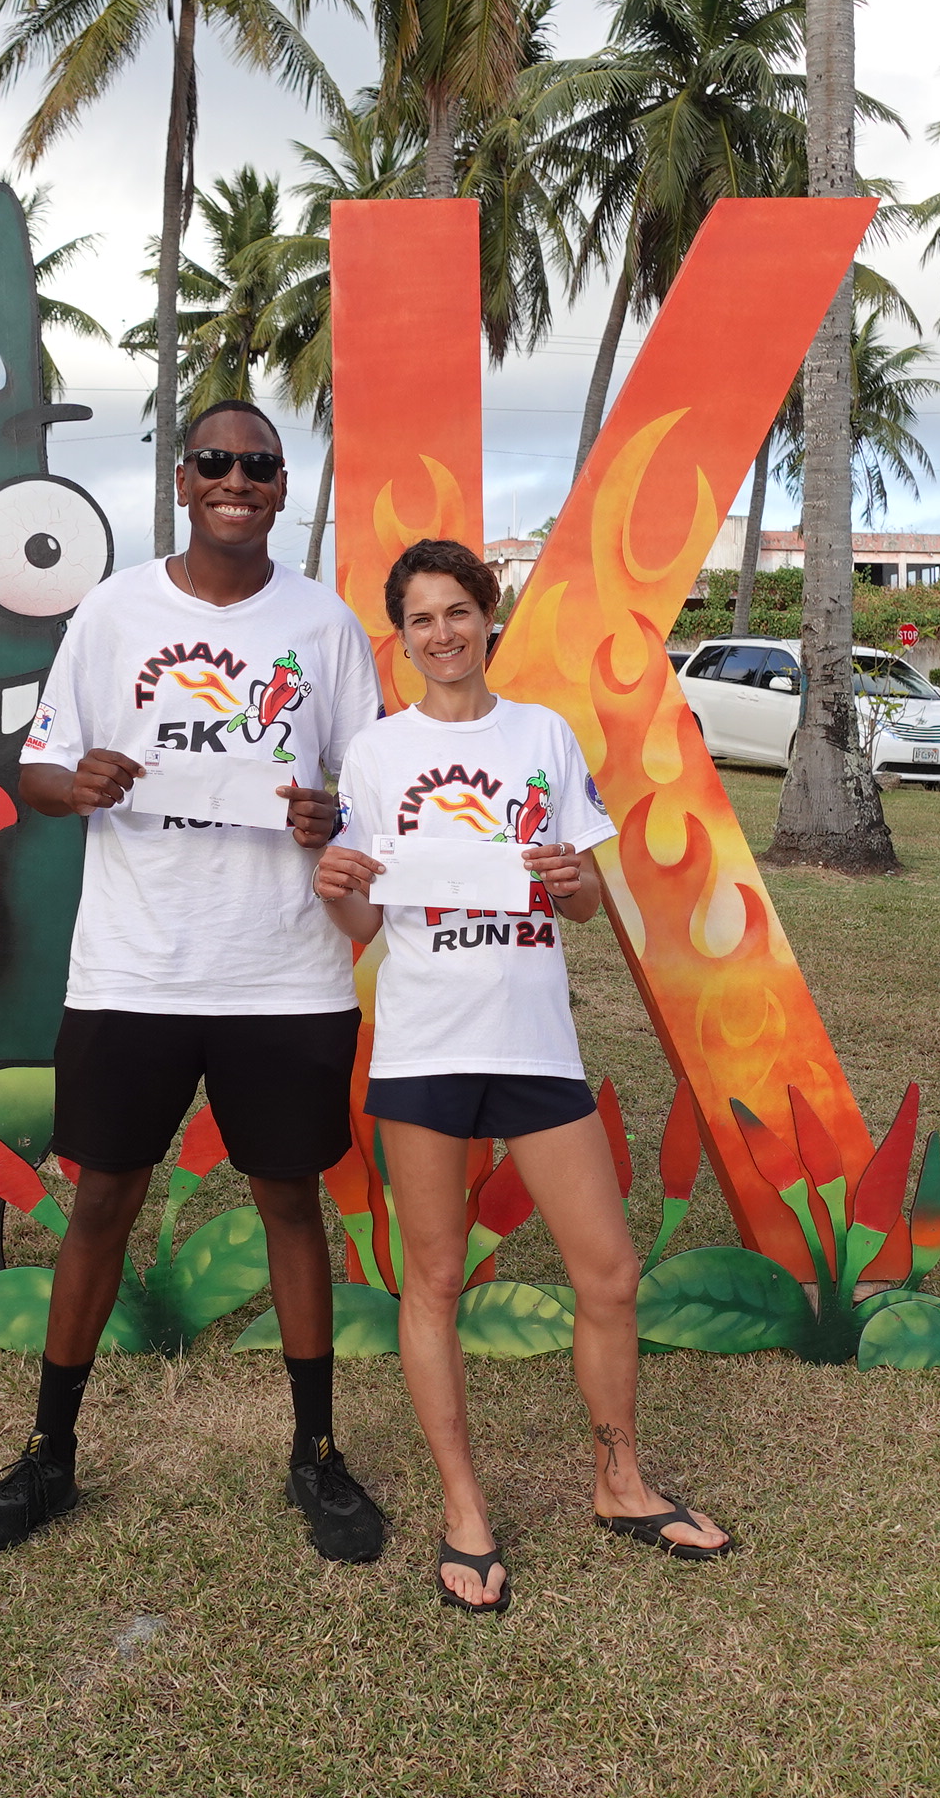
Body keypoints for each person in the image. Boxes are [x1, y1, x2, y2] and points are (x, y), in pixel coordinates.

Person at [0, 400, 388, 1564]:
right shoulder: (112, 613)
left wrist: (331, 811)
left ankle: (317, 1455)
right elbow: (38, 767)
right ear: (182, 482)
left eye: (257, 465)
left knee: (291, 1201)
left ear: (284, 489)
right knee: (102, 1201)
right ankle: (49, 1453)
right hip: (134, 967)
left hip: (287, 972)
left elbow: (378, 792)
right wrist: (79, 781)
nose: (234, 479)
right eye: (213, 462)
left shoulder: (326, 625)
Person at [313, 538, 732, 1612]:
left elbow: (585, 900)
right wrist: (337, 884)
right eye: (421, 619)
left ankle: (619, 1481)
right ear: (399, 637)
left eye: (458, 611)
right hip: (423, 1049)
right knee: (437, 1282)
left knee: (608, 1273)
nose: (442, 634)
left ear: (487, 616)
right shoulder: (374, 754)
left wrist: (570, 876)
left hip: (536, 1044)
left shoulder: (541, 735)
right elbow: (365, 918)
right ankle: (465, 1508)